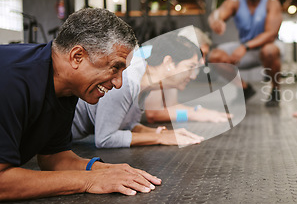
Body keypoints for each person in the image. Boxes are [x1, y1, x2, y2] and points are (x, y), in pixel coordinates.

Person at [0, 8, 161, 201]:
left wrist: (106, 170)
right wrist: (89, 180)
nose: (118, 83)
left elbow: (54, 157)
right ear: (77, 57)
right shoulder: (11, 80)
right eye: (115, 68)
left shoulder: (66, 87)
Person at [72, 35, 208, 148]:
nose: (193, 76)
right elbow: (105, 139)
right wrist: (158, 138)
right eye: (190, 67)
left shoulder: (145, 84)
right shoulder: (126, 80)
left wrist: (162, 133)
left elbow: (127, 125)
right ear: (169, 63)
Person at [208, 0, 283, 107]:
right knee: (215, 56)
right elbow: (219, 12)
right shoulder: (235, 2)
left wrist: (245, 47)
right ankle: (244, 88)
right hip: (246, 48)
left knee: (269, 50)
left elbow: (271, 33)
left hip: (268, 46)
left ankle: (275, 89)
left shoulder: (272, 3)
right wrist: (216, 20)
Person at [146, 27, 231, 123]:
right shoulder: (159, 61)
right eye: (200, 54)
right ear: (185, 47)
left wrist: (200, 112)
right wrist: (193, 115)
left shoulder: (173, 63)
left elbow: (172, 106)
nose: (203, 62)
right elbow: (153, 114)